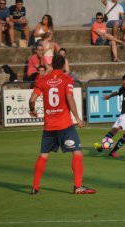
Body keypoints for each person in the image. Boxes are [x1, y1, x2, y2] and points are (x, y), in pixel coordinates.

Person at [28, 55, 96, 195]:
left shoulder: (43, 80)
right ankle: (78, 186)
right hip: (64, 125)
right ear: (64, 65)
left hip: (49, 126)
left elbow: (32, 99)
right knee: (77, 152)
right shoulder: (67, 79)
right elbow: (69, 97)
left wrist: (32, 109)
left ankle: (35, 187)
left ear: (52, 65)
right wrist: (77, 117)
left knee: (43, 156)